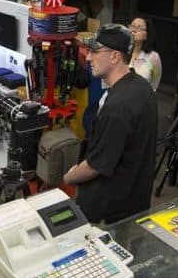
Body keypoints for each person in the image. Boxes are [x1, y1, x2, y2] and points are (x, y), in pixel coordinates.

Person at [63, 24, 158, 224]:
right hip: (134, 203)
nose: (88, 58)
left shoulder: (117, 108)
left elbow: (96, 166)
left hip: (110, 215)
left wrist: (69, 178)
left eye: (94, 52)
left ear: (115, 57)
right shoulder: (141, 87)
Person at [129, 17, 162, 91]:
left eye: (139, 28)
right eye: (132, 26)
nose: (133, 30)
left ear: (147, 35)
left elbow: (154, 85)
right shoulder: (120, 52)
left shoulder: (153, 58)